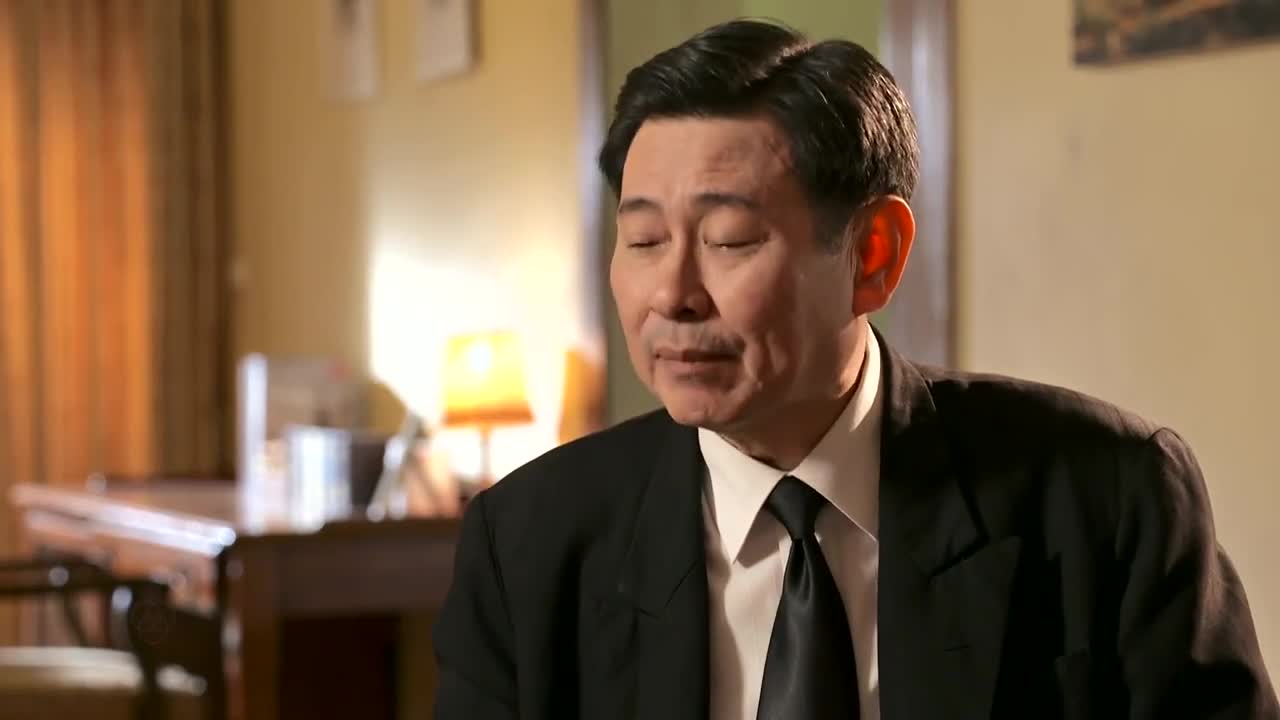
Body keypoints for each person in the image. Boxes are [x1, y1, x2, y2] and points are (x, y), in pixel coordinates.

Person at [432, 18, 1278, 720]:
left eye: (729, 239)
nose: (672, 296)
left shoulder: (1108, 496)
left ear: (873, 255)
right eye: (643, 240)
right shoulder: (530, 543)